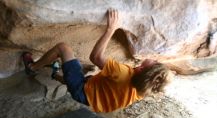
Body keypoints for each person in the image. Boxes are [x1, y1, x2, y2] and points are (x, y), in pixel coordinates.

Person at [22, 9, 170, 112]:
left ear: (143, 70)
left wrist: (111, 29)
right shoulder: (142, 89)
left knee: (63, 48)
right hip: (94, 98)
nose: (155, 60)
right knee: (79, 77)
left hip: (83, 89)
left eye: (156, 63)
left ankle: (32, 67)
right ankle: (55, 75)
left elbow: (95, 57)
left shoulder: (123, 73)